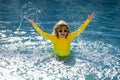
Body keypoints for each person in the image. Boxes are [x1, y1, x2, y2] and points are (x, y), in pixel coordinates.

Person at [29, 14, 95, 58]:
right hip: (56, 56)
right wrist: (33, 24)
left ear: (67, 31)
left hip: (67, 56)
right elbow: (42, 33)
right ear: (56, 31)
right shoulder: (53, 37)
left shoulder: (69, 36)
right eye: (60, 31)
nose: (63, 32)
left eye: (65, 31)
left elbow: (80, 30)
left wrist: (88, 20)